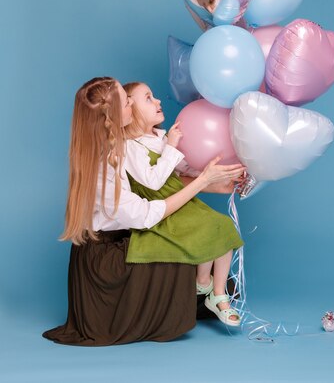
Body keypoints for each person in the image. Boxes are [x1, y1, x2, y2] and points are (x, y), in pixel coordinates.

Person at [43, 77, 244, 346]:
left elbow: (167, 182)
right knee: (182, 247)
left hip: (128, 230)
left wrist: (215, 184)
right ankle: (203, 292)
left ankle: (208, 291)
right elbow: (147, 212)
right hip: (106, 258)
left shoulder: (124, 144)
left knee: (202, 237)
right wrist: (202, 181)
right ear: (115, 114)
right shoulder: (110, 160)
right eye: (127, 102)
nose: (132, 104)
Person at [123, 81, 244, 327]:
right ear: (130, 110)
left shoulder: (160, 135)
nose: (157, 101)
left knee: (221, 224)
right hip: (162, 206)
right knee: (206, 227)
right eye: (148, 98)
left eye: (154, 95)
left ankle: (218, 294)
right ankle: (203, 283)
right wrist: (171, 145)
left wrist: (218, 173)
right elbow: (154, 181)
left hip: (182, 199)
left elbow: (182, 169)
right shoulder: (130, 145)